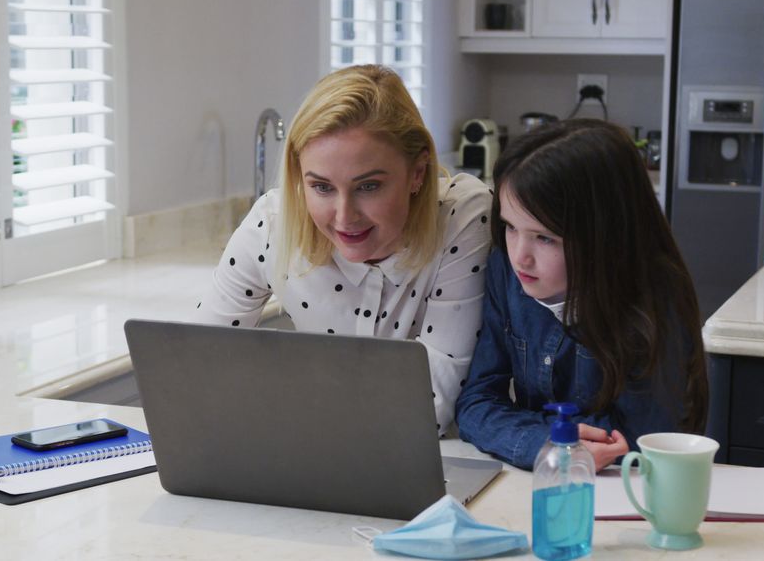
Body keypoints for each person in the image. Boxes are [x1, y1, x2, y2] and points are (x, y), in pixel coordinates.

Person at [196, 65, 492, 434]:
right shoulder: (272, 222)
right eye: (321, 187)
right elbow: (198, 368)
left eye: (368, 187)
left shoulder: (461, 217)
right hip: (310, 453)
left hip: (440, 463)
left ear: (418, 173)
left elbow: (428, 408)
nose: (344, 216)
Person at [455, 119, 708, 471]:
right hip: (548, 482)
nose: (519, 256)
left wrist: (547, 439)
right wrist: (546, 445)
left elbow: (642, 440)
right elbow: (475, 404)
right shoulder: (506, 269)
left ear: (604, 237)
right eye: (511, 227)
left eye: (545, 238)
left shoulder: (653, 298)